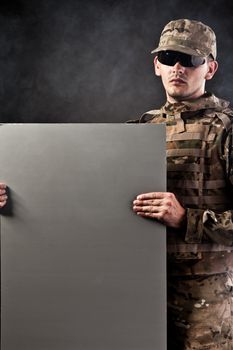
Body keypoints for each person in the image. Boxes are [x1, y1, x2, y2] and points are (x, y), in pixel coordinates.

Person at [132, 19, 233, 349]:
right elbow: (86, 200)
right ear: (156, 65)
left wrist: (186, 218)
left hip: (209, 303)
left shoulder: (226, 130)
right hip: (141, 289)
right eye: (168, 57)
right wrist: (19, 196)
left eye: (190, 59)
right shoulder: (136, 132)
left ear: (210, 68)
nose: (178, 68)